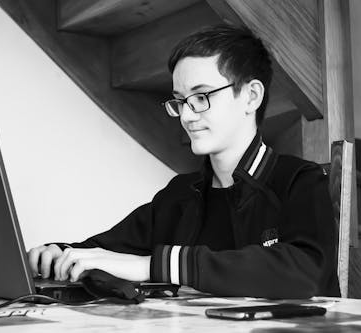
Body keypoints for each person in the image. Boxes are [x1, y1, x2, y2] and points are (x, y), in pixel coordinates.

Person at [28, 24, 340, 298]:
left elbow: (305, 272)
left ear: (251, 96)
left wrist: (157, 266)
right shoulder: (180, 195)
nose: (187, 116)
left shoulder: (300, 180)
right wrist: (58, 254)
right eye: (180, 100)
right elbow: (108, 250)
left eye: (202, 96)